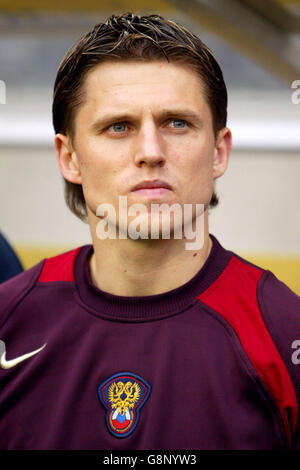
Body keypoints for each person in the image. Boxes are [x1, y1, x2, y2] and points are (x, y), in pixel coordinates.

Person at [0, 12, 299, 451]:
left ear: (219, 151)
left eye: (177, 122)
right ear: (70, 158)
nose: (151, 152)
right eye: (118, 127)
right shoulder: (10, 321)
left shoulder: (283, 332)